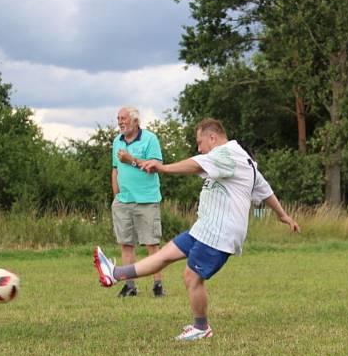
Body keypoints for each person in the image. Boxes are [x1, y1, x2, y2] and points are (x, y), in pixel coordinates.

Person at [94, 118, 300, 341]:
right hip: (205, 227)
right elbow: (265, 189)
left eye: (200, 142)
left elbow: (196, 164)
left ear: (213, 138)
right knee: (165, 255)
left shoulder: (227, 153)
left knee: (192, 277)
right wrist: (282, 215)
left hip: (219, 232)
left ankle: (201, 328)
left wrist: (162, 167)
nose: (199, 148)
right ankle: (114, 274)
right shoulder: (245, 160)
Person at [110, 106, 165, 298]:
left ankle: (158, 285)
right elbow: (115, 169)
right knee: (126, 244)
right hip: (123, 202)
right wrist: (116, 195)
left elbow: (155, 167)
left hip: (146, 200)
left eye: (124, 118)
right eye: (118, 119)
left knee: (151, 244)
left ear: (135, 121)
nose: (120, 122)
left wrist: (131, 160)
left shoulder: (150, 139)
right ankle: (129, 286)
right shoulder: (117, 141)